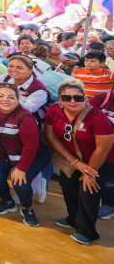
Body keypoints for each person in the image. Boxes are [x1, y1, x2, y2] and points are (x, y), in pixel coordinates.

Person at [44, 79, 114, 245]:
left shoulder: (97, 117)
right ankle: (73, 219)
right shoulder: (54, 110)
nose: (73, 101)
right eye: (67, 98)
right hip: (73, 157)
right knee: (68, 186)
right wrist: (74, 162)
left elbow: (102, 150)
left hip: (102, 161)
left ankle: (87, 232)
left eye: (78, 97)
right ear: (60, 99)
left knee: (87, 190)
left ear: (85, 99)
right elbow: (51, 137)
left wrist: (89, 172)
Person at [0, 82, 47, 226]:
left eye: (11, 97)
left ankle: (27, 209)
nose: (5, 100)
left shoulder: (25, 118)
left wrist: (21, 169)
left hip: (32, 155)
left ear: (18, 99)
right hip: (4, 155)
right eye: (0, 96)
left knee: (20, 182)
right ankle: (7, 201)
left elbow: (31, 147)